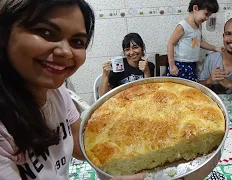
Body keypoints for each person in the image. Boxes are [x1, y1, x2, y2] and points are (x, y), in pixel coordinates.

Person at [0, 0, 144, 179]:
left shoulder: (58, 90)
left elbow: (79, 145)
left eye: (77, 41)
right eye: (45, 32)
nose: (65, 52)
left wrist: (137, 143)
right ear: (5, 33)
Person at [167, 0, 224, 82]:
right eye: (206, 14)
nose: (207, 18)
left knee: (191, 88)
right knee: (178, 88)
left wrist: (215, 48)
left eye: (209, 15)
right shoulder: (183, 26)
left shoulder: (198, 25)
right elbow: (170, 43)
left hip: (192, 64)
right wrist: (172, 65)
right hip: (180, 64)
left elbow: (199, 42)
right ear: (195, 8)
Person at [99, 33, 155, 97]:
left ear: (143, 47)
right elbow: (102, 96)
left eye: (135, 47)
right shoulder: (118, 66)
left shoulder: (149, 66)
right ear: (124, 52)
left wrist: (147, 72)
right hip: (123, 102)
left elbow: (149, 94)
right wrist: (105, 75)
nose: (131, 53)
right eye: (127, 49)